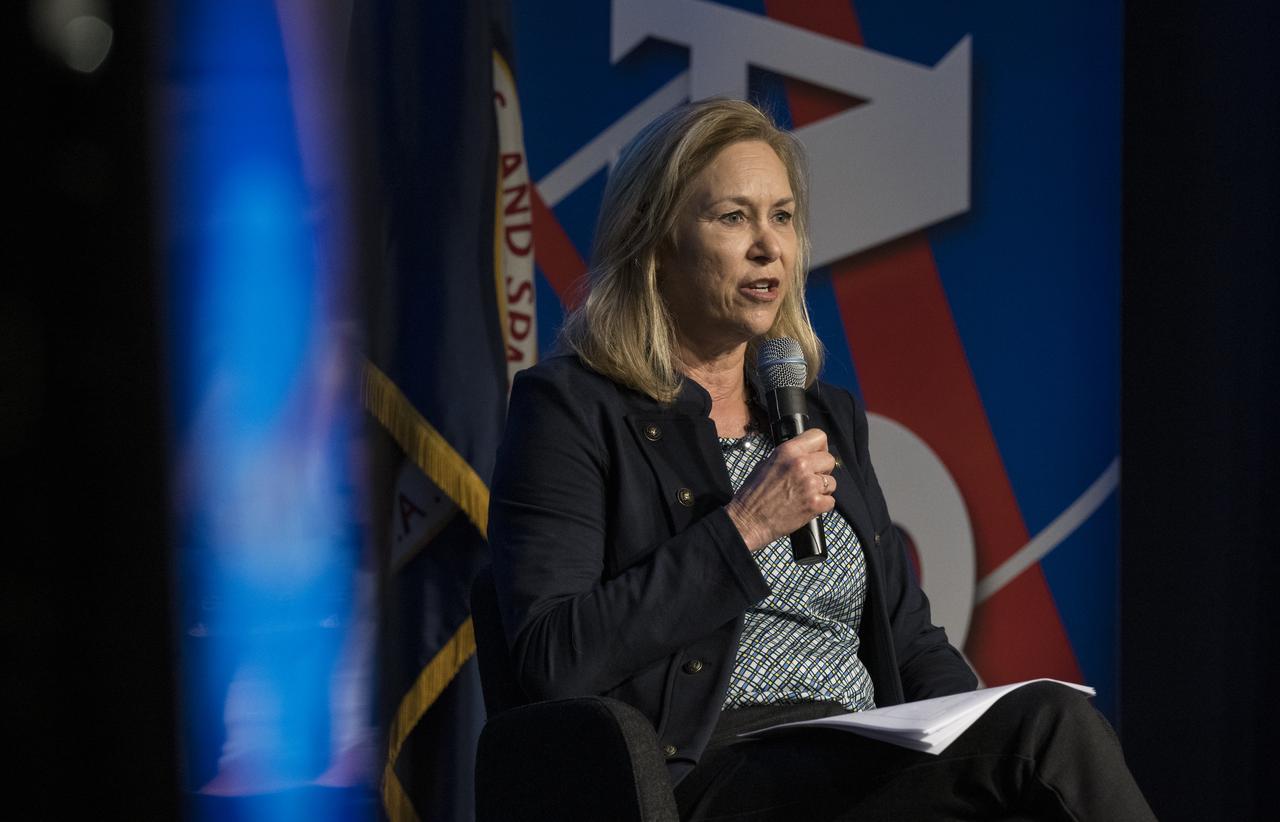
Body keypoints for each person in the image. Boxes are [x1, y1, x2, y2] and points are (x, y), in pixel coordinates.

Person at [488, 98, 1154, 820]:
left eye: (781, 217)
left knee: (1034, 732)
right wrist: (745, 527)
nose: (768, 246)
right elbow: (553, 659)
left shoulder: (821, 414)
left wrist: (974, 731)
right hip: (711, 770)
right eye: (733, 217)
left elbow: (908, 638)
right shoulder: (573, 409)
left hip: (864, 754)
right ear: (656, 242)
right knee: (1048, 729)